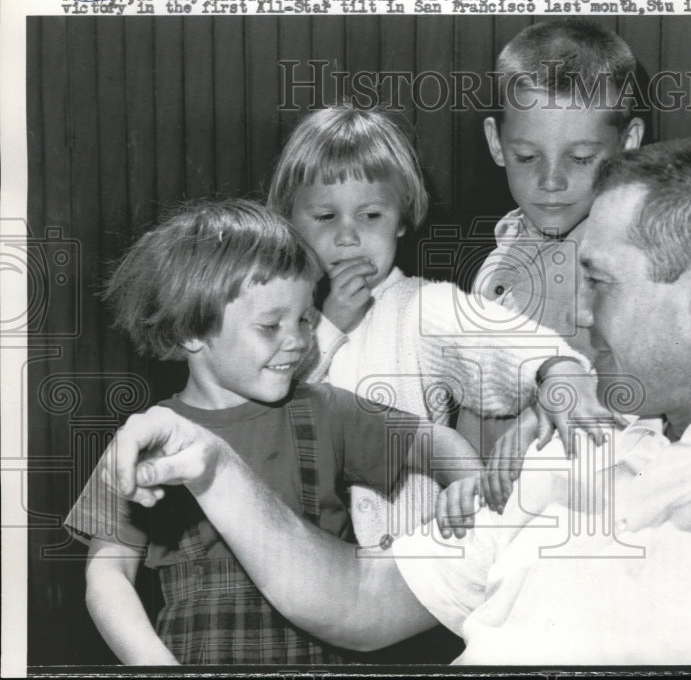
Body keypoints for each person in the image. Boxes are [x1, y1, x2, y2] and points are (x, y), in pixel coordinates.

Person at [102, 139, 691, 665]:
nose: (576, 313)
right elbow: (363, 602)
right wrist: (213, 466)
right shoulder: (574, 451)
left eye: (598, 282)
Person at [64, 200, 476, 665]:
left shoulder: (327, 409)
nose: (299, 340)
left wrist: (467, 485)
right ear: (190, 332)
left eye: (304, 318)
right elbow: (107, 571)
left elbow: (434, 441)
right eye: (270, 325)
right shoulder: (145, 440)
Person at [266, 104, 603, 546]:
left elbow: (499, 340)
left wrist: (557, 369)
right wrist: (329, 326)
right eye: (326, 217)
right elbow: (269, 405)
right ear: (290, 221)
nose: (348, 237)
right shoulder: (273, 314)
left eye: (371, 216)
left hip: (406, 571)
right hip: (295, 560)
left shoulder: (421, 308)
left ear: (402, 218)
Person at [474, 18, 646, 361]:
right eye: (526, 157)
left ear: (628, 143)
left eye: (581, 158)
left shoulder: (627, 271)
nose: (551, 182)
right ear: (496, 143)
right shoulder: (501, 253)